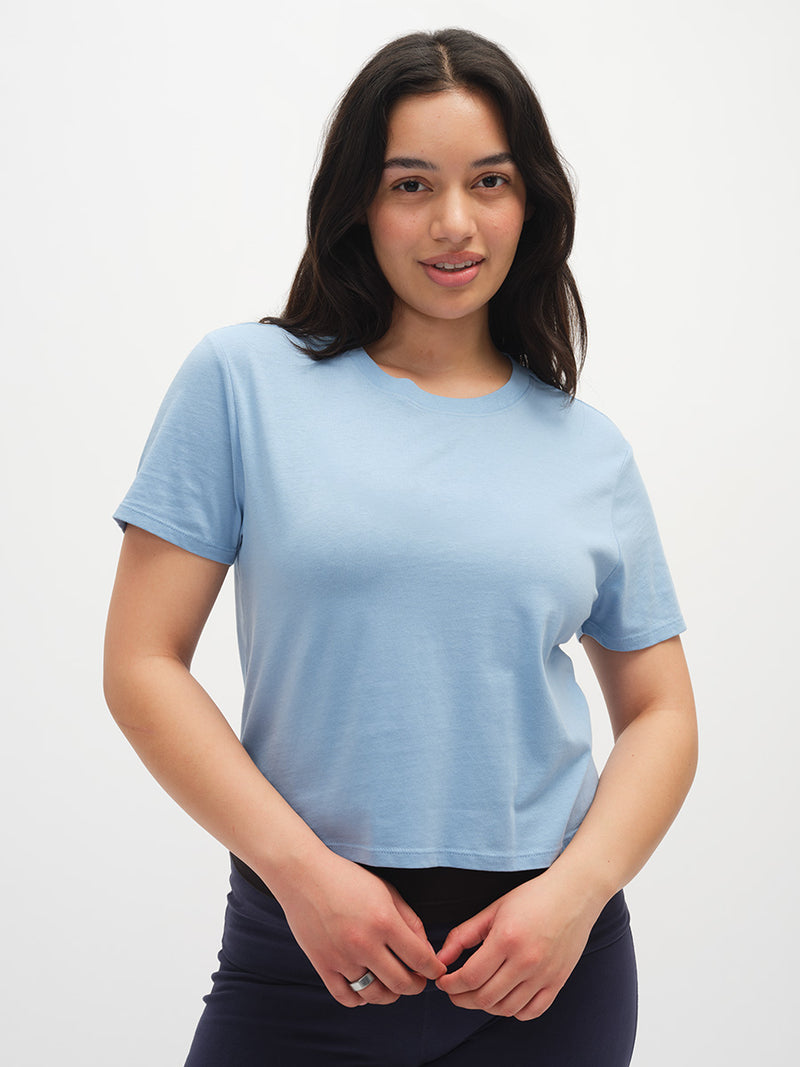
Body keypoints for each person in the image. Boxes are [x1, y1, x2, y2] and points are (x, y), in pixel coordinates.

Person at [104, 27, 697, 1067]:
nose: (453, 222)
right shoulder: (242, 382)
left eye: (489, 181)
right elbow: (141, 661)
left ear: (530, 201)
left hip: (544, 967)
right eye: (411, 184)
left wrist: (573, 893)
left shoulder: (587, 447)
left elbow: (662, 711)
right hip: (303, 944)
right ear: (358, 203)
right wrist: (302, 874)